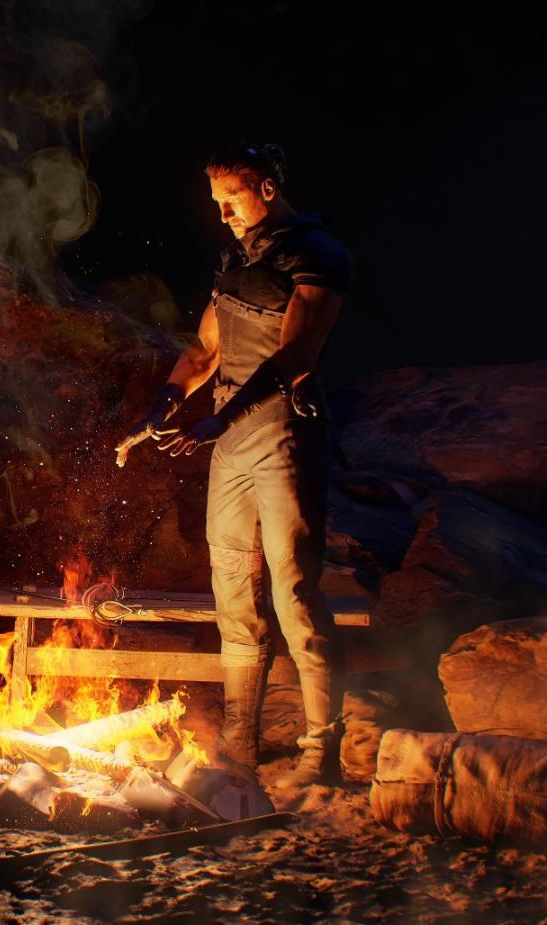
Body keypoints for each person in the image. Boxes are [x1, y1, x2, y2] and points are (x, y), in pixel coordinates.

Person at [116, 143, 350, 789]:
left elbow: (295, 356)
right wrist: (159, 410)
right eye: (215, 202)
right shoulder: (235, 260)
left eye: (232, 198)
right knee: (233, 594)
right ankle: (241, 744)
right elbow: (203, 350)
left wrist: (222, 419)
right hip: (232, 448)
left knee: (294, 593)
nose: (222, 213)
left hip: (283, 436)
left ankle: (320, 749)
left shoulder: (317, 255)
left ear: (267, 187)